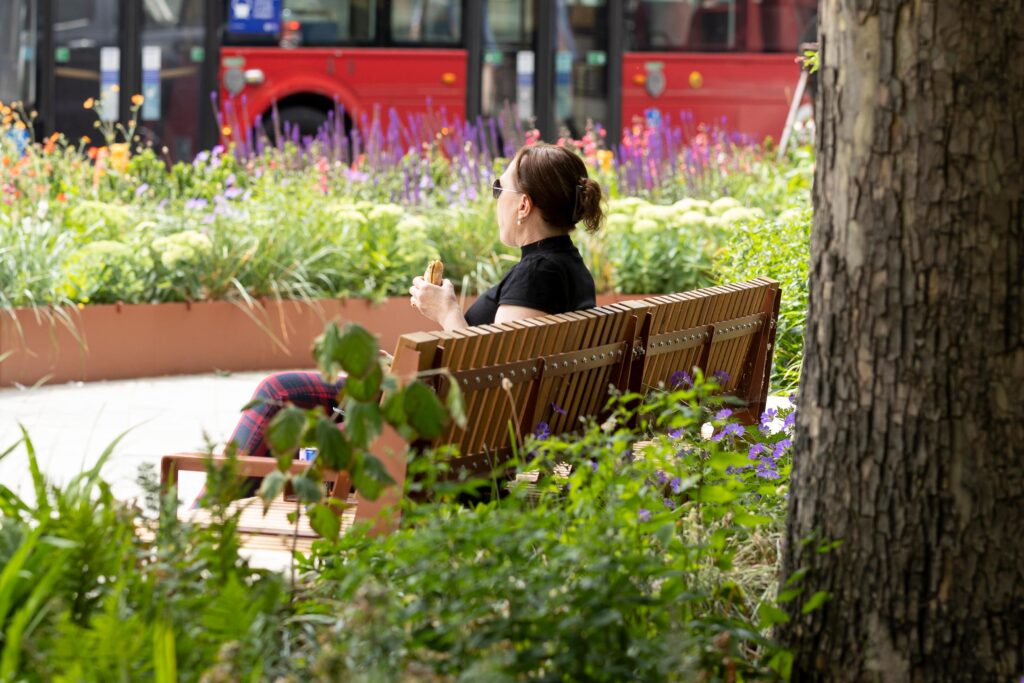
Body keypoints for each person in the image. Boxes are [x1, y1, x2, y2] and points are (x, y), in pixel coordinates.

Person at [226, 143, 605, 467]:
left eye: (498, 190)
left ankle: (214, 512)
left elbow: (499, 386)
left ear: (523, 205)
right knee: (279, 390)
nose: (495, 202)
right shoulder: (567, 269)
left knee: (285, 412)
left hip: (452, 439)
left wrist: (446, 313)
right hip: (457, 420)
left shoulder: (538, 276)